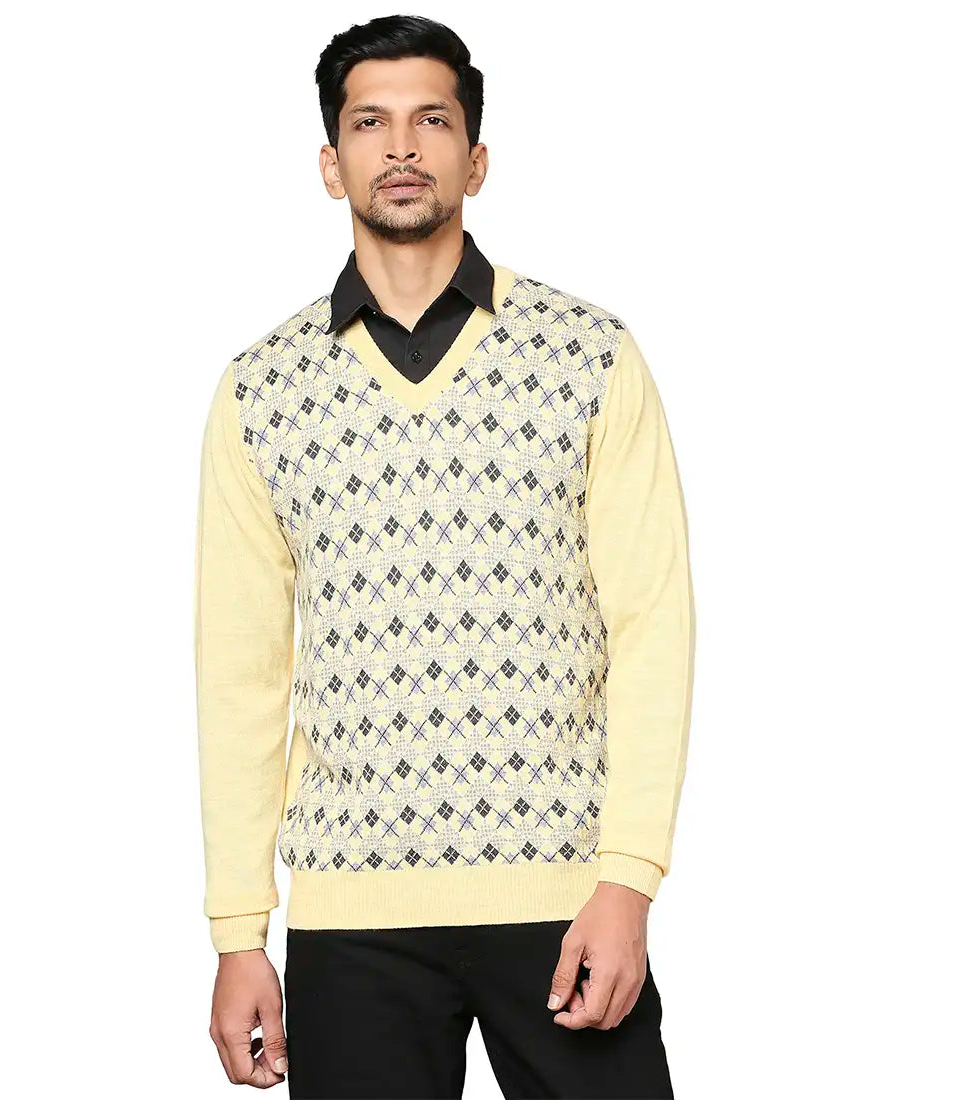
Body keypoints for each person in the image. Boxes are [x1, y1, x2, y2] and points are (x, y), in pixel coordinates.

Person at [194, 14, 695, 1098]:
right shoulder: (261, 390)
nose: (401, 147)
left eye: (432, 120)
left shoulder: (587, 356)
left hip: (565, 898)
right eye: (369, 123)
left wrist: (627, 880)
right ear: (330, 163)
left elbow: (651, 627)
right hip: (352, 917)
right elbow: (241, 677)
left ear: (476, 158)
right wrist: (239, 931)